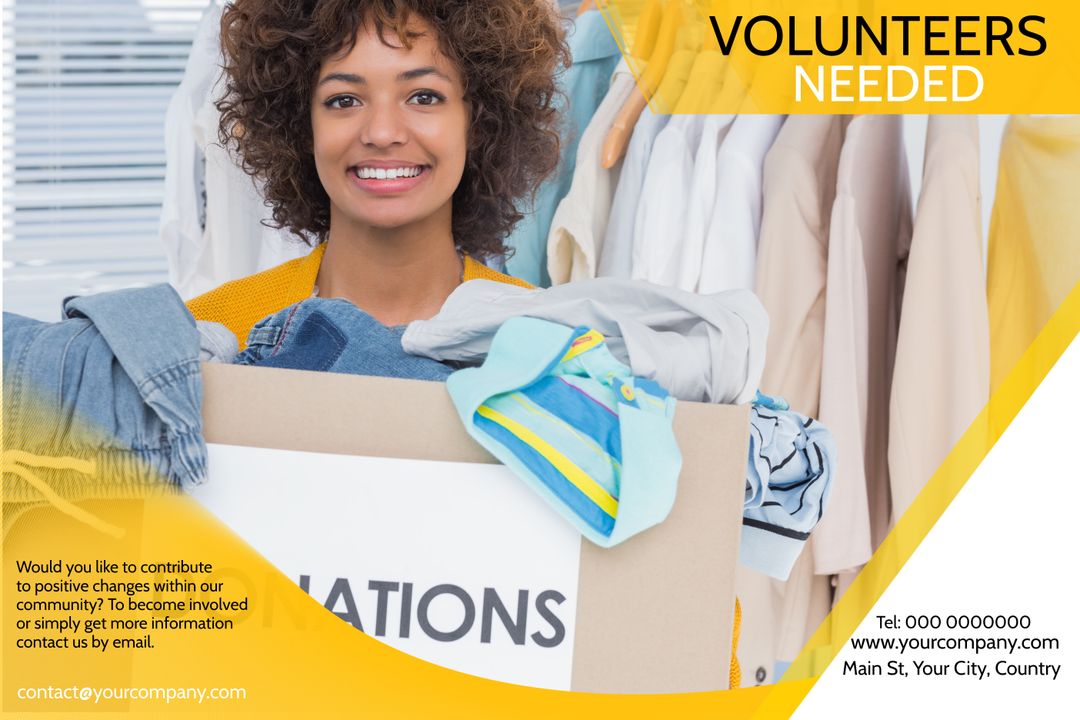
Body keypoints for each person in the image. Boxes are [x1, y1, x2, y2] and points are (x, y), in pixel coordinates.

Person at [187, 0, 570, 349]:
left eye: (423, 97)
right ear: (301, 128)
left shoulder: (550, 345)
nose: (383, 133)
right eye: (344, 100)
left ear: (480, 122)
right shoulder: (207, 336)